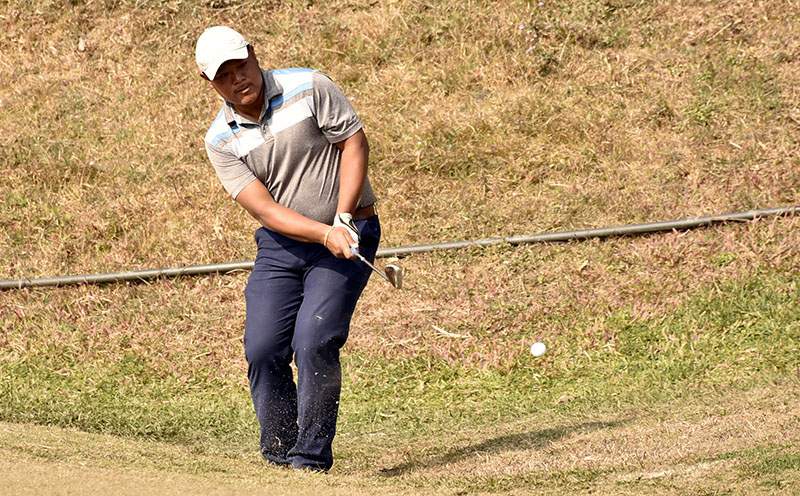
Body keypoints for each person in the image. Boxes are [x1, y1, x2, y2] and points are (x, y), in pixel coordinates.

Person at [195, 26, 380, 472]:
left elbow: (353, 143)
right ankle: (279, 454)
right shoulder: (220, 139)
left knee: (314, 340)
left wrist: (341, 219)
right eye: (224, 75)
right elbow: (264, 209)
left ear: (253, 54)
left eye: (241, 65)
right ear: (209, 83)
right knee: (262, 348)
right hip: (283, 246)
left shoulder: (310, 86)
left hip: (350, 231)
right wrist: (322, 233)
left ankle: (308, 460)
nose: (238, 78)